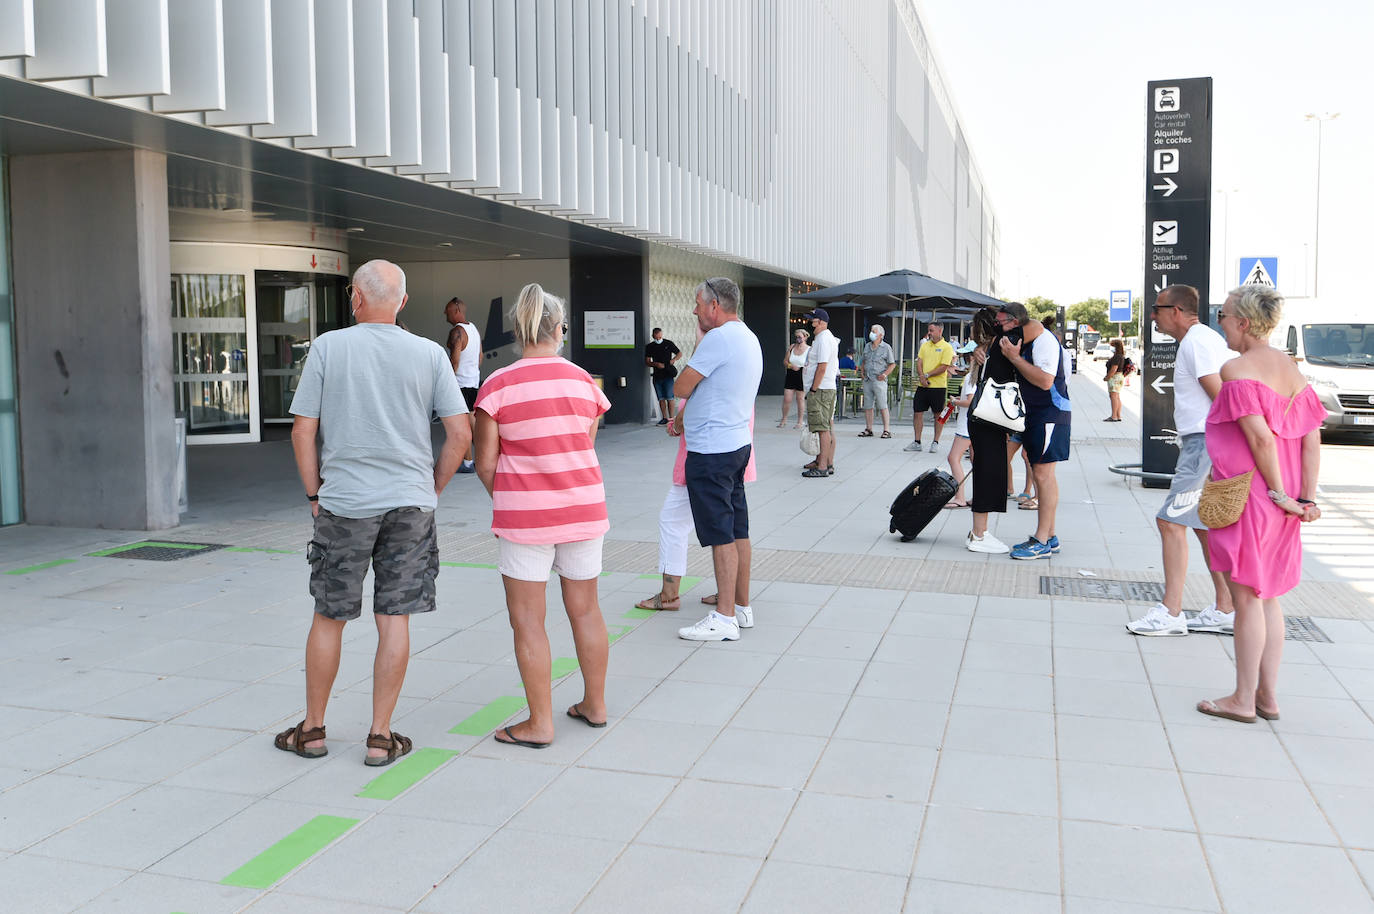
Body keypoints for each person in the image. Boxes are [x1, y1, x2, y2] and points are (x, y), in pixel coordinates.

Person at [277, 260, 470, 767]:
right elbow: (460, 433)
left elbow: (302, 431)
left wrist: (314, 495)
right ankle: (380, 737)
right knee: (394, 618)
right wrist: (431, 488)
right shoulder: (430, 353)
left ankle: (313, 730)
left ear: (355, 298)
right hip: (410, 504)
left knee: (329, 616)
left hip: (344, 504)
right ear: (402, 302)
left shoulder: (328, 347)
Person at [473, 283, 612, 747]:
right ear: (560, 330)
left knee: (528, 621)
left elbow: (486, 463)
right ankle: (595, 704)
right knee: (586, 610)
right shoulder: (584, 382)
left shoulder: (497, 385)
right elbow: (584, 446)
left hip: (525, 518)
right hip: (583, 508)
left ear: (518, 331)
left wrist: (512, 497)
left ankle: (540, 723)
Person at [1196, 285, 1324, 724]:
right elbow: (1311, 440)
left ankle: (1242, 699)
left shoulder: (1236, 370)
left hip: (1254, 495)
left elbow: (1261, 439)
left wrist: (1278, 493)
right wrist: (1303, 498)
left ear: (1244, 322)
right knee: (1268, 598)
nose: (1221, 324)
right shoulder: (1291, 369)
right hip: (1284, 502)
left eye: (1224, 315)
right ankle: (1267, 697)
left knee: (1247, 598)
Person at [1128, 285, 1238, 637]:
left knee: (1170, 521)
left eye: (1157, 309)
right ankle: (1225, 608)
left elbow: (1222, 397)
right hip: (1206, 442)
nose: (1152, 316)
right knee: (1204, 527)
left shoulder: (1196, 342)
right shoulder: (1202, 339)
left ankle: (1171, 612)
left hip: (1204, 443)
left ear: (1175, 311)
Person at [637, 330, 758, 612]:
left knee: (684, 524)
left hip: (706, 460)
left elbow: (683, 406)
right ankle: (736, 599)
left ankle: (674, 596)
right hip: (737, 455)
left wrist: (675, 424)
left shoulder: (707, 376)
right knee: (735, 528)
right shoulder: (741, 366)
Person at [673, 277, 764, 641]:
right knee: (738, 527)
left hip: (712, 450)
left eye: (698, 304)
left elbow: (681, 385)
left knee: (720, 533)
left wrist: (700, 343)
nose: (694, 311)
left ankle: (724, 617)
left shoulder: (718, 338)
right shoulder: (748, 336)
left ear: (715, 305)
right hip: (737, 444)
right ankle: (741, 607)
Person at [997, 302, 1071, 560]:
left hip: (1050, 413)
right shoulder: (1027, 340)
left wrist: (1015, 358)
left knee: (1043, 474)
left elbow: (1045, 380)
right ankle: (1050, 536)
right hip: (1036, 414)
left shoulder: (1043, 340)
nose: (999, 329)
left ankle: (1041, 541)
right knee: (1042, 474)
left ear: (1015, 322)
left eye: (1001, 323)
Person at [963, 309, 1015, 553]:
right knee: (987, 474)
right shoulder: (998, 347)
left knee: (987, 472)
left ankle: (979, 531)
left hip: (982, 419)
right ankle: (978, 534)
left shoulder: (986, 349)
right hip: (988, 421)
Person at [445, 297, 482, 473]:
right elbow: (480, 356)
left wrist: (447, 383)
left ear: (457, 310)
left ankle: (468, 463)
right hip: (473, 383)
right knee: (472, 422)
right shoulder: (473, 329)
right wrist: (472, 373)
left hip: (459, 385)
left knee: (462, 425)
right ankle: (483, 457)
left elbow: (455, 362)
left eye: (448, 310)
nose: (445, 313)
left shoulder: (457, 332)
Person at [801, 308, 839, 478]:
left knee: (822, 428)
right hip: (824, 388)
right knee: (824, 426)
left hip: (821, 389)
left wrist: (813, 389)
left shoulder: (824, 339)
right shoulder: (823, 338)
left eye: (813, 320)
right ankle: (823, 461)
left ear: (821, 322)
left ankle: (822, 466)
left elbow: (822, 367)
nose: (811, 322)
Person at [905, 322, 955, 453]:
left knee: (938, 414)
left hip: (938, 386)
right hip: (922, 385)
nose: (929, 333)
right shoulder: (925, 345)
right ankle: (917, 441)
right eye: (929, 330)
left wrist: (927, 375)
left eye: (932, 330)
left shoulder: (947, 347)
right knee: (917, 412)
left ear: (940, 331)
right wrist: (922, 377)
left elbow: (944, 367)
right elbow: (919, 362)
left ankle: (935, 442)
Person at [942, 340, 979, 508]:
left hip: (966, 424)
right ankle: (977, 496)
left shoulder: (971, 377)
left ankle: (960, 497)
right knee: (975, 461)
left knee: (953, 458)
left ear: (971, 357)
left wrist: (955, 402)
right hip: (975, 423)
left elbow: (969, 402)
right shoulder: (979, 376)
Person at [856, 324, 895, 438]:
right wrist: (862, 371)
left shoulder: (886, 347)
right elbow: (863, 360)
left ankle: (886, 430)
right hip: (868, 379)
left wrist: (885, 374)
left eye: (874, 331)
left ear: (881, 335)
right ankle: (868, 429)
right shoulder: (867, 346)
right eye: (871, 331)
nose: (871, 333)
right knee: (868, 405)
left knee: (882, 404)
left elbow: (892, 364)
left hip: (879, 379)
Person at [644, 326, 682, 425]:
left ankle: (671, 418)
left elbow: (679, 353)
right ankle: (664, 417)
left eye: (659, 337)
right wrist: (655, 364)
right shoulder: (650, 346)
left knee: (670, 397)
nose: (658, 339)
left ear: (662, 335)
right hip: (657, 374)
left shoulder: (668, 343)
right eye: (656, 338)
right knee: (661, 398)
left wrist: (673, 360)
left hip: (668, 374)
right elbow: (647, 361)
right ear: (653, 336)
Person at [779, 329, 809, 428]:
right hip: (791, 374)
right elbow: (785, 361)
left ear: (805, 337)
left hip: (802, 374)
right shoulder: (792, 347)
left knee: (800, 399)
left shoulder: (809, 349)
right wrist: (791, 366)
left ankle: (800, 421)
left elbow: (810, 363)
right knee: (787, 398)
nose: (798, 339)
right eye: (796, 337)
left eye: (800, 337)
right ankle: (784, 419)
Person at [1104, 339, 1126, 422]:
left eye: (1112, 346)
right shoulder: (1121, 356)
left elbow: (1114, 369)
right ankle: (1118, 415)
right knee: (1117, 396)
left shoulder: (1117, 357)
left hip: (1114, 378)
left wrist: (1107, 377)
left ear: (1116, 347)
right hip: (1119, 377)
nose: (1111, 348)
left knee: (1113, 396)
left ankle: (1114, 416)